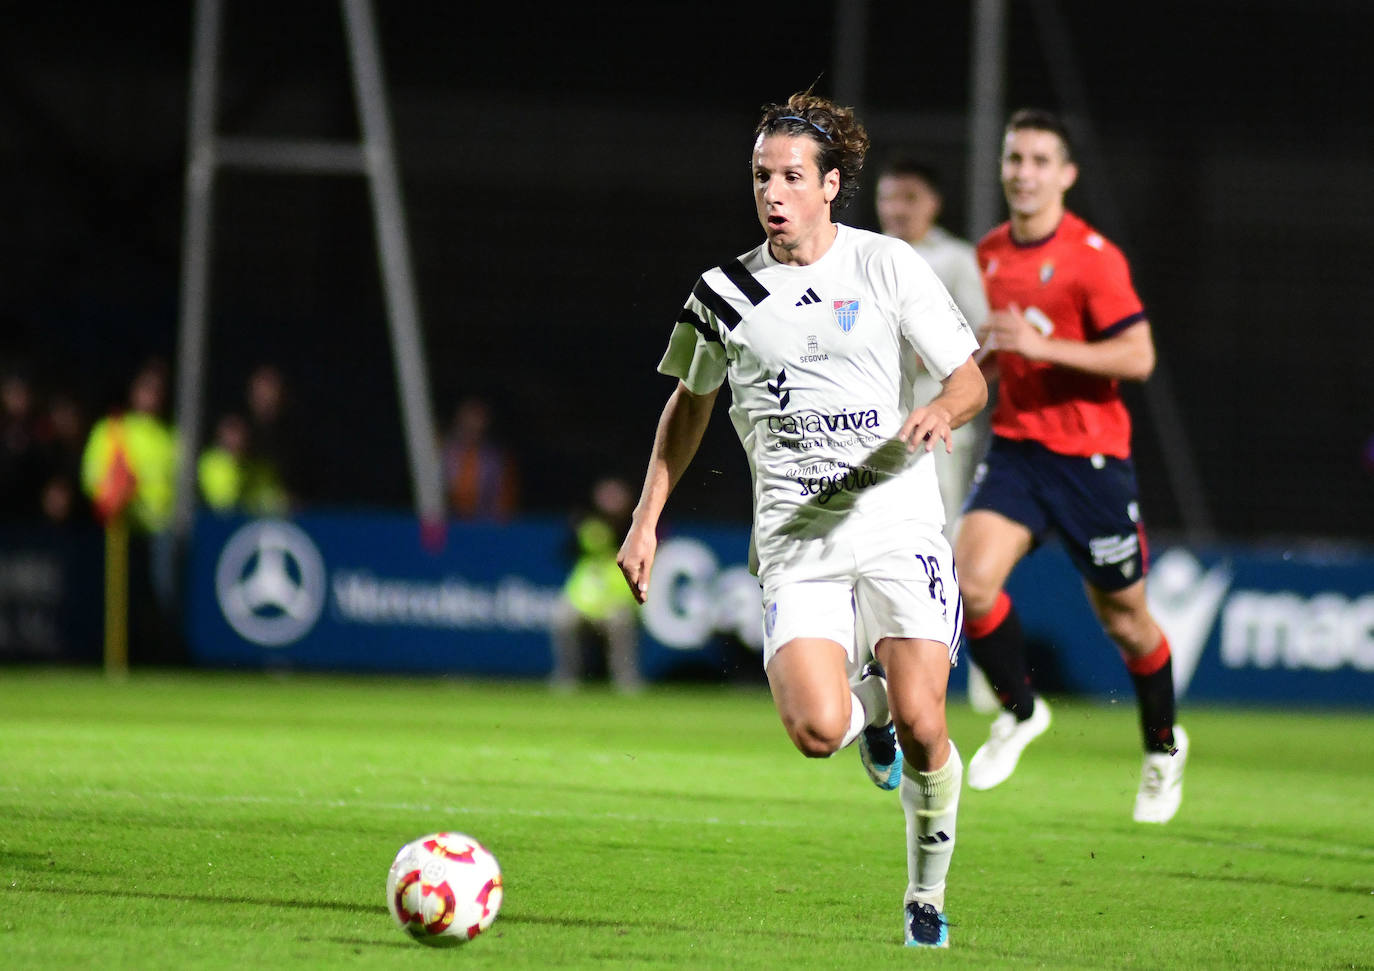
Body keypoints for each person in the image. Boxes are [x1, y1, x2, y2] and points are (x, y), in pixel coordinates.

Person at [616, 91, 986, 948]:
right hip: (797, 539)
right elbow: (689, 404)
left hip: (897, 521)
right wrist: (645, 518)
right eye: (759, 177)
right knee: (818, 729)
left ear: (830, 185)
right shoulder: (725, 290)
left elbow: (967, 377)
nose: (772, 192)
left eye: (790, 176)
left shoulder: (887, 265)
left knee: (930, 722)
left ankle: (925, 895)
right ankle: (873, 715)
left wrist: (942, 413)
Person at [956, 108, 1188, 824]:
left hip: (1091, 461)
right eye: (1014, 158)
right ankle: (1021, 711)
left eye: (1038, 161)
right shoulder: (990, 252)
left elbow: (1138, 357)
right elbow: (1004, 348)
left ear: (1066, 174)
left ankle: (1161, 746)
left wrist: (1043, 346)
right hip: (1020, 451)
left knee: (1127, 622)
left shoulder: (1094, 256)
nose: (1023, 173)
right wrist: (952, 396)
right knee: (970, 578)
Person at [875, 157, 1000, 716]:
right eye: (889, 199)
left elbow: (984, 342)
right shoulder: (866, 256)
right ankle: (882, 667)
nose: (897, 210)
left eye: (909, 199)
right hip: (872, 427)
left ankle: (977, 674)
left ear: (933, 204)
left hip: (935, 427)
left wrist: (952, 393)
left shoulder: (953, 260)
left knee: (942, 548)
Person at [548, 476, 643, 693]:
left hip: (616, 601)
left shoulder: (634, 527)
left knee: (621, 619)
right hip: (584, 601)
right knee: (562, 616)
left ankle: (626, 681)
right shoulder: (585, 523)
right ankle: (566, 679)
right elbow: (566, 549)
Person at [441, 396, 520, 520]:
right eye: (469, 419)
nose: (473, 425)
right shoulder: (439, 452)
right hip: (442, 525)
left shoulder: (495, 459)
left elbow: (503, 503)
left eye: (479, 419)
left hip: (483, 526)